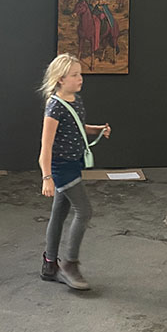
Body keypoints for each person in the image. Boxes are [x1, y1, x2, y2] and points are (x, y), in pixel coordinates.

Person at [38, 54, 111, 291]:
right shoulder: (54, 107)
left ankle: (50, 265)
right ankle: (69, 265)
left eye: (80, 74)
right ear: (61, 79)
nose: (81, 78)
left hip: (74, 164)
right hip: (61, 168)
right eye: (75, 75)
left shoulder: (75, 100)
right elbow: (46, 147)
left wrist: (96, 130)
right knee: (84, 211)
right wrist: (47, 177)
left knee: (59, 213)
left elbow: (77, 127)